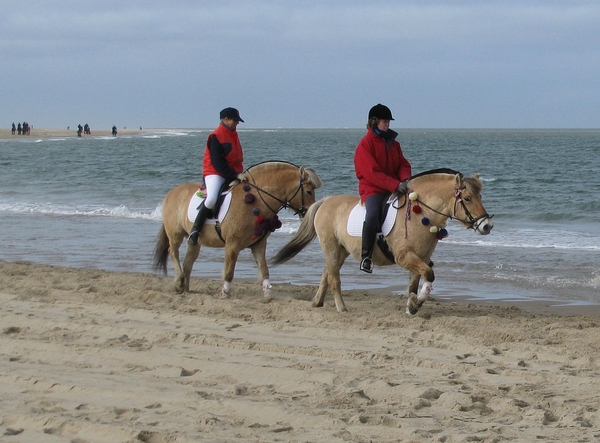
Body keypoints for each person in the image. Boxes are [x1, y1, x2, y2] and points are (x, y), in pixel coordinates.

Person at [354, 104, 412, 273]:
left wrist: (405, 179)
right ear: (374, 122)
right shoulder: (364, 145)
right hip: (372, 189)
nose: (387, 124)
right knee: (372, 215)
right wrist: (395, 185)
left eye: (388, 122)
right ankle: (366, 256)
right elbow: (371, 173)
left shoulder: (394, 144)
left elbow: (403, 164)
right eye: (384, 121)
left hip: (394, 187)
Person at [188, 107, 245, 245]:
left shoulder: (233, 134)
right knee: (212, 199)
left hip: (233, 172)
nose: (237, 123)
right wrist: (234, 175)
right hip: (215, 173)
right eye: (234, 120)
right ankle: (195, 231)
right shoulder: (216, 136)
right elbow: (218, 163)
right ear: (225, 119)